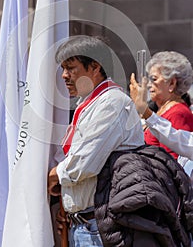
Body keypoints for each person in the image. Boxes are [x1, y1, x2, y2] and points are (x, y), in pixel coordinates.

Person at [48, 36, 145, 247]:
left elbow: (83, 164)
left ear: (95, 66)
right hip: (85, 225)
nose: (64, 76)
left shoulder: (112, 103)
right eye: (63, 68)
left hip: (100, 228)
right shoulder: (90, 103)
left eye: (71, 68)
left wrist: (54, 176)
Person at [131, 51, 193, 159]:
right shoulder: (161, 108)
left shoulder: (178, 113)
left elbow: (173, 162)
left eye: (154, 79)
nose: (149, 85)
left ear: (171, 83)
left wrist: (144, 110)